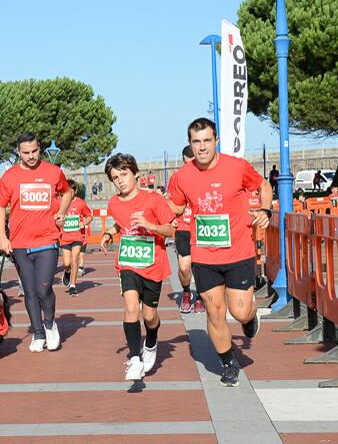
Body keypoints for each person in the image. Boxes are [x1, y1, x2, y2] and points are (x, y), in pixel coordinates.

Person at [168, 118, 272, 387]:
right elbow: (176, 207)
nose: (202, 147)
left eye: (206, 141)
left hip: (238, 251)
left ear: (216, 141)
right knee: (214, 312)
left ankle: (250, 316)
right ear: (190, 144)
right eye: (196, 141)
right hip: (204, 255)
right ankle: (228, 362)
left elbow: (262, 186)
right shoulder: (182, 176)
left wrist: (265, 210)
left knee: (238, 311)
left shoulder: (237, 167)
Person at [0, 132, 74, 352]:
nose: (31, 156)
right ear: (18, 152)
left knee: (43, 288)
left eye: (35, 151)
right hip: (19, 243)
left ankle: (49, 324)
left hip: (47, 240)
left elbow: (67, 193)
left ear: (40, 148)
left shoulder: (53, 172)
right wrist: (2, 236)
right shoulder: (10, 176)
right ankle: (37, 333)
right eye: (26, 152)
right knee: (29, 291)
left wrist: (62, 212)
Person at [100, 153, 175, 381]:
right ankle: (134, 358)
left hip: (153, 264)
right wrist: (108, 234)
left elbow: (170, 230)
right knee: (131, 307)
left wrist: (149, 225)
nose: (120, 180)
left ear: (135, 174)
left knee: (149, 315)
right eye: (115, 178)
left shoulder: (153, 200)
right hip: (128, 263)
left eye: (124, 175)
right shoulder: (114, 203)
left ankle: (150, 342)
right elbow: (121, 224)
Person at [168, 145, 204, 314]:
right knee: (184, 267)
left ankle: (201, 298)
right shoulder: (177, 178)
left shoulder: (206, 175)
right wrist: (170, 219)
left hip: (203, 226)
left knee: (202, 266)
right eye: (187, 163)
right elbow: (171, 203)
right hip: (183, 227)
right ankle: (187, 293)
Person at [60, 179, 93, 296]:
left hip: (77, 236)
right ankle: (67, 271)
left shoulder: (80, 203)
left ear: (75, 191)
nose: (69, 193)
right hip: (64, 237)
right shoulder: (60, 202)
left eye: (71, 191)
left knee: (75, 260)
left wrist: (83, 223)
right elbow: (55, 217)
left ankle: (73, 285)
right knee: (66, 262)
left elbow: (89, 216)